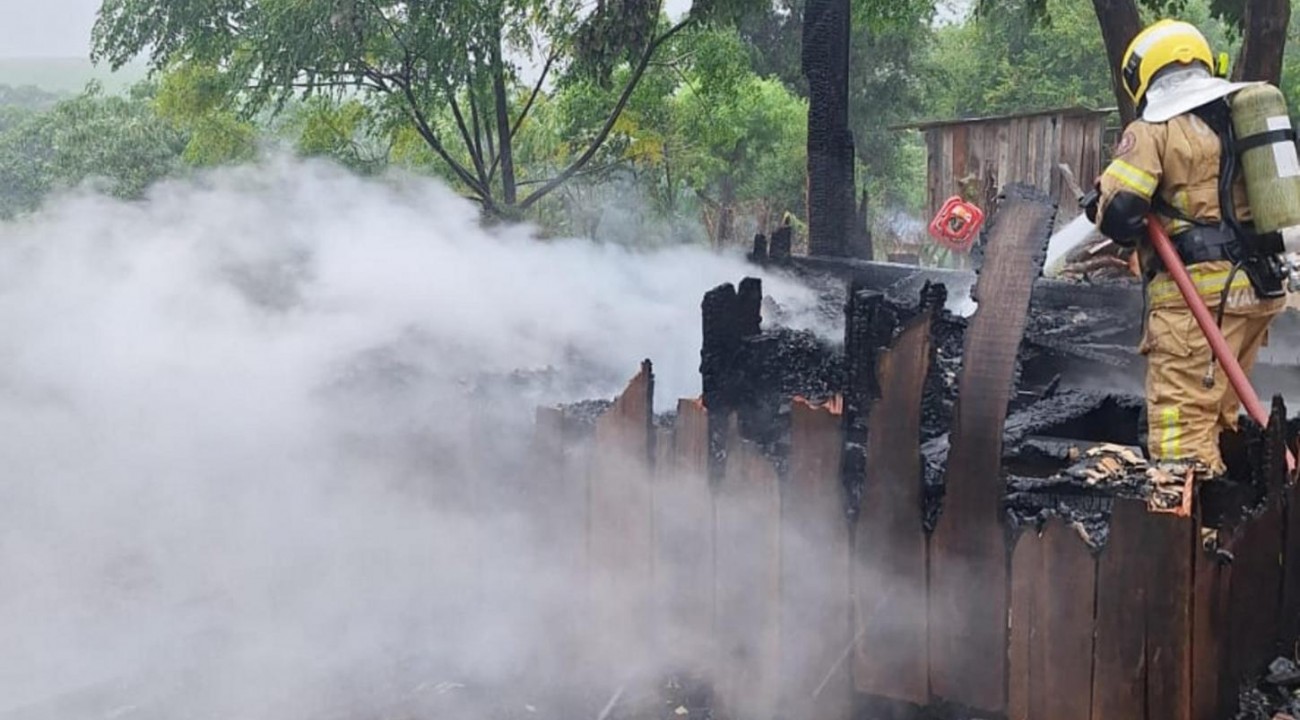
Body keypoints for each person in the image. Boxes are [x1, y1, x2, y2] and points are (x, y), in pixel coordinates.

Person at [1087, 19, 1289, 478]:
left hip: (1195, 304)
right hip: (1253, 295)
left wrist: (1098, 202)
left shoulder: (1155, 129)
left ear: (1143, 76)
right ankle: (1236, 528)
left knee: (1180, 432)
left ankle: (1189, 539)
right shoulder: (1240, 116)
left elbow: (1121, 213)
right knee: (1217, 414)